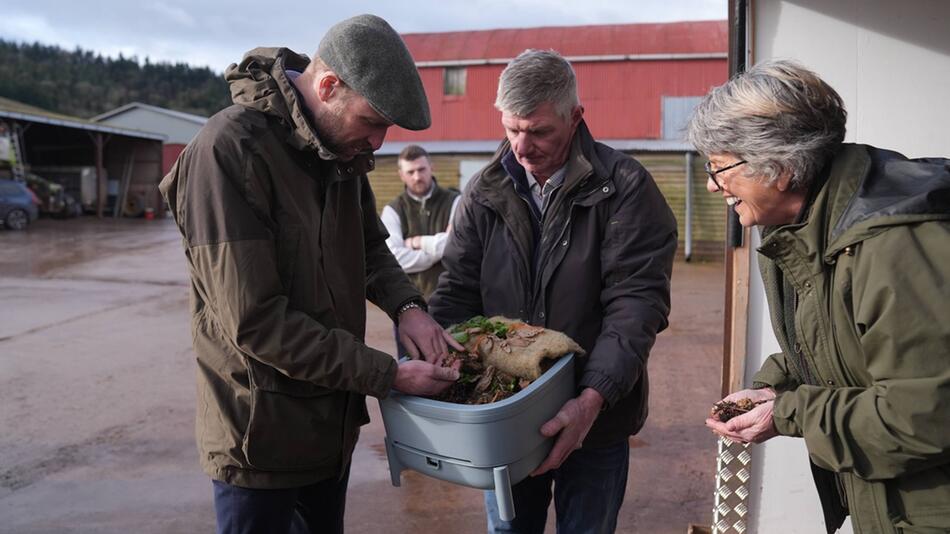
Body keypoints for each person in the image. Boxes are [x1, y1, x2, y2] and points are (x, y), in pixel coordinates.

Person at [159, 14, 462, 534]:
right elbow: (257, 322)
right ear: (328, 86)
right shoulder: (229, 152)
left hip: (328, 431)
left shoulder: (341, 153)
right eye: (372, 121)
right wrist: (387, 375)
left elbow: (369, 247)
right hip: (261, 443)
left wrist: (408, 307)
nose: (378, 142)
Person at [692, 60, 950, 533]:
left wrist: (789, 412)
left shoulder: (893, 245)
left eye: (720, 166)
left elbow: (923, 416)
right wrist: (777, 385)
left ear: (783, 169)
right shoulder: (805, 228)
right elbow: (845, 340)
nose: (712, 183)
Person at [428, 49, 678, 534]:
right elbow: (455, 293)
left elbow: (635, 305)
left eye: (539, 131)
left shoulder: (624, 187)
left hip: (595, 419)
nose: (522, 147)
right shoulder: (483, 192)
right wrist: (445, 372)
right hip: (504, 419)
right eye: (511, 129)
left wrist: (592, 398)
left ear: (575, 116)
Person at [381, 145, 460, 356]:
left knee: (455, 368)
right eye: (410, 172)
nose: (417, 177)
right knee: (413, 369)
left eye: (421, 169)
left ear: (431, 167)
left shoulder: (456, 202)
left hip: (451, 304)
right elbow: (394, 258)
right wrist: (438, 249)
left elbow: (456, 247)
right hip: (409, 307)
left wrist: (415, 242)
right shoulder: (393, 210)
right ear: (401, 175)